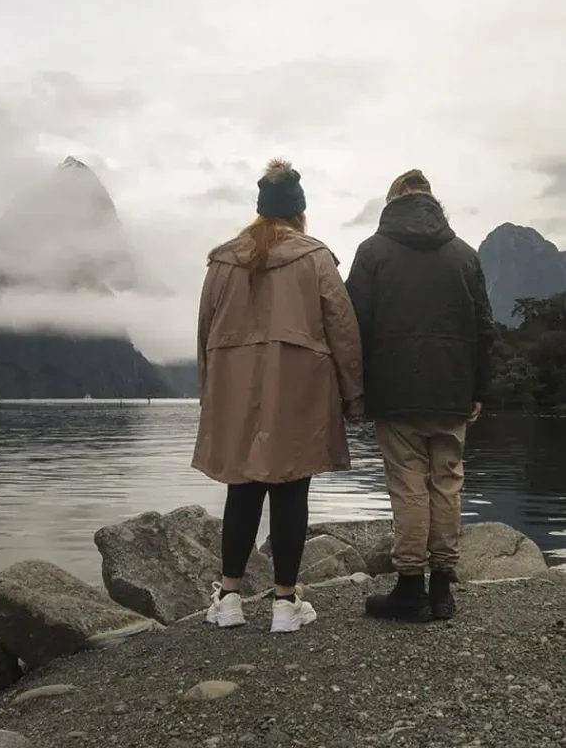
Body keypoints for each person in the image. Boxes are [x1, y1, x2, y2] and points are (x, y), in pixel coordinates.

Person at [193, 158, 364, 633]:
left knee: (241, 489)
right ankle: (285, 604)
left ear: (260, 208)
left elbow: (205, 329)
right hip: (299, 386)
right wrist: (354, 395)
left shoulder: (222, 260)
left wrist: (210, 391)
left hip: (233, 385)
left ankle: (228, 598)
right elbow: (343, 330)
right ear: (299, 210)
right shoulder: (316, 258)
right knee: (291, 489)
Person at [345, 169, 494, 622]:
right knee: (447, 480)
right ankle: (443, 590)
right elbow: (484, 328)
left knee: (408, 484)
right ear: (434, 204)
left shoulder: (372, 252)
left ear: (391, 204)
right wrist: (478, 389)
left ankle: (410, 589)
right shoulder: (465, 256)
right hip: (452, 389)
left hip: (395, 392)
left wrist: (355, 390)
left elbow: (353, 327)